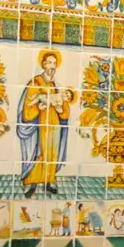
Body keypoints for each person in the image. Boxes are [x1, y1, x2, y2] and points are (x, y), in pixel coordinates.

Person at [17, 50, 74, 192]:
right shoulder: (35, 82)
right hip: (39, 126)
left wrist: (61, 110)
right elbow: (27, 108)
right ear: (43, 64)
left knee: (52, 152)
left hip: (54, 126)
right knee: (39, 152)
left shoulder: (55, 86)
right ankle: (31, 181)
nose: (52, 66)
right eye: (49, 62)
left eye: (54, 63)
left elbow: (65, 112)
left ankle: (50, 180)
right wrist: (39, 107)